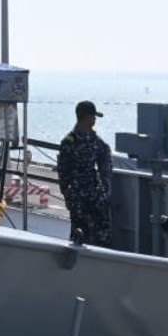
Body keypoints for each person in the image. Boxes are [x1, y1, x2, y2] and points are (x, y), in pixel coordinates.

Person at [57, 100, 114, 246]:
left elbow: (105, 164)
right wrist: (67, 195)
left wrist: (105, 189)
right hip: (78, 196)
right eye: (93, 116)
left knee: (102, 235)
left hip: (95, 195)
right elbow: (63, 172)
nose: (94, 120)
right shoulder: (69, 142)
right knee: (79, 234)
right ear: (85, 117)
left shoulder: (96, 141)